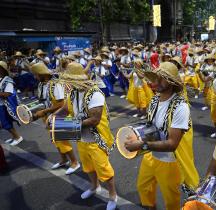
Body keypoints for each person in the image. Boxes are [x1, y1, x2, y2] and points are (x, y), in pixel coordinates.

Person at [125, 62, 199, 210]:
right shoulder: (154, 100)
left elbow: (172, 144)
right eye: (155, 78)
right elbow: (151, 128)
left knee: (171, 200)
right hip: (151, 156)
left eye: (161, 79)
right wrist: (138, 136)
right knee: (143, 187)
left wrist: (142, 145)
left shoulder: (180, 107)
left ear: (171, 82)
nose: (156, 83)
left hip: (170, 162)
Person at [52, 62, 117, 210]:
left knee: (104, 169)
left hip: (96, 140)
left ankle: (113, 195)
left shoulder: (95, 93)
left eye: (68, 80)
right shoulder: (74, 92)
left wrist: (65, 125)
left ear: (77, 80)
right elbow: (66, 108)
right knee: (88, 167)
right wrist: (54, 117)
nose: (66, 84)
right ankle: (95, 187)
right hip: (81, 137)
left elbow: (94, 120)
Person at [30, 63, 80, 175]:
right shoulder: (41, 84)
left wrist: (44, 111)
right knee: (55, 140)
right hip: (48, 116)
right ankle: (64, 160)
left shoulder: (56, 84)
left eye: (36, 75)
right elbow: (42, 101)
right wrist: (37, 111)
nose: (35, 77)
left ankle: (75, 162)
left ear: (42, 74)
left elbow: (61, 104)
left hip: (60, 115)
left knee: (63, 140)